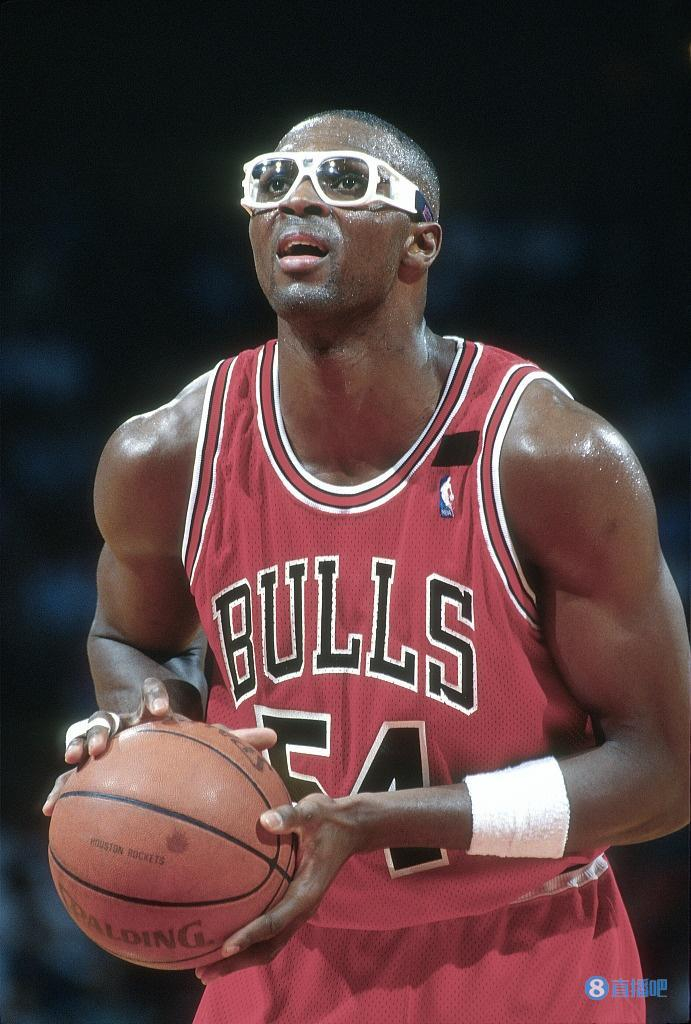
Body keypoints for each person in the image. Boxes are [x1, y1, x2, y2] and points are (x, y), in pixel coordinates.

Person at [44, 109, 690, 1024]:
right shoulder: (165, 455)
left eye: (345, 182)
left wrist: (385, 821)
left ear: (420, 241)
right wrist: (144, 728)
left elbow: (664, 773)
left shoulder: (549, 456)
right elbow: (127, 639)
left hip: (526, 946)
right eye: (271, 183)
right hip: (277, 946)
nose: (298, 199)